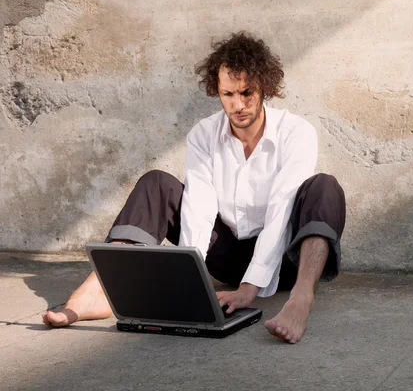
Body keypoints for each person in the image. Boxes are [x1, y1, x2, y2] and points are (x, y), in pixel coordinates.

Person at [43, 32, 346, 344]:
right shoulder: (203, 134)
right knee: (156, 183)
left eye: (247, 93)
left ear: (264, 87)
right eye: (228, 94)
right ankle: (99, 291)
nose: (238, 104)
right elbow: (198, 209)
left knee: (325, 188)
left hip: (284, 260)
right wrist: (193, 286)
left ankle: (301, 300)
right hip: (225, 254)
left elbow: (282, 210)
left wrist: (250, 288)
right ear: (217, 90)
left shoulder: (296, 133)